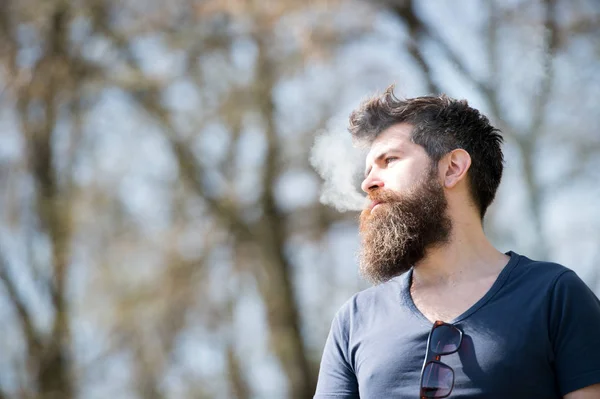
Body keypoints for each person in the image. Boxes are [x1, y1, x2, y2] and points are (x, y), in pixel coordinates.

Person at [313, 87, 600, 399]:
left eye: (389, 160)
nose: (368, 183)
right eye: (368, 170)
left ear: (452, 169)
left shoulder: (554, 295)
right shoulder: (354, 319)